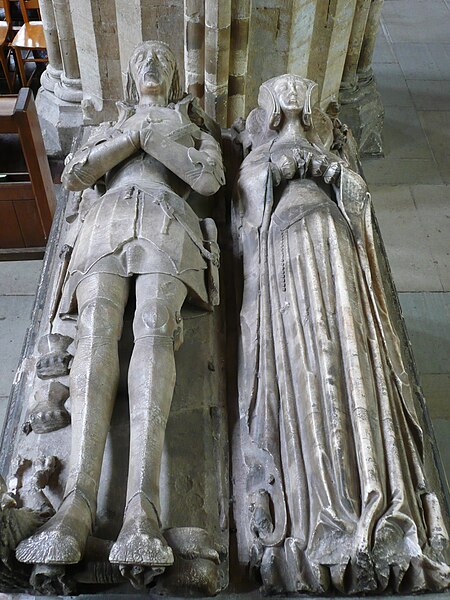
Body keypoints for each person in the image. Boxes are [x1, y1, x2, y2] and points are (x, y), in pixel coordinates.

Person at [233, 74, 449, 594]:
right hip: (287, 249)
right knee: (307, 367)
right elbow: (245, 213)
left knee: (353, 358)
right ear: (268, 103)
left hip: (334, 242)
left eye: (297, 87)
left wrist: (332, 172)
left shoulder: (332, 147)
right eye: (279, 86)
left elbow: (361, 208)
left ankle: (378, 503)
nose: (289, 91)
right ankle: (320, 517)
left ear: (308, 104)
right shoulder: (257, 153)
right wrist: (277, 171)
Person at [16, 40, 224, 569]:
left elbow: (207, 178)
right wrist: (128, 136)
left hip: (167, 221)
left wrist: (150, 139)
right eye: (142, 59)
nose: (152, 62)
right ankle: (76, 506)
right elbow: (77, 174)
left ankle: (142, 510)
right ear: (131, 78)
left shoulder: (194, 129)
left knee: (155, 331)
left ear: (176, 75)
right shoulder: (107, 126)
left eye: (162, 57)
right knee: (95, 334)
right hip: (105, 223)